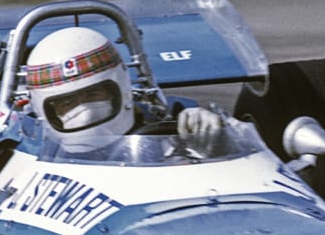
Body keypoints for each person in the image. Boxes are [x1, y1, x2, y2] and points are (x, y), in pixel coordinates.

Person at [23, 27, 223, 152]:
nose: (85, 109)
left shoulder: (172, 123)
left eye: (93, 94)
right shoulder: (31, 147)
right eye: (67, 102)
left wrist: (213, 132)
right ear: (46, 110)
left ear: (120, 88)